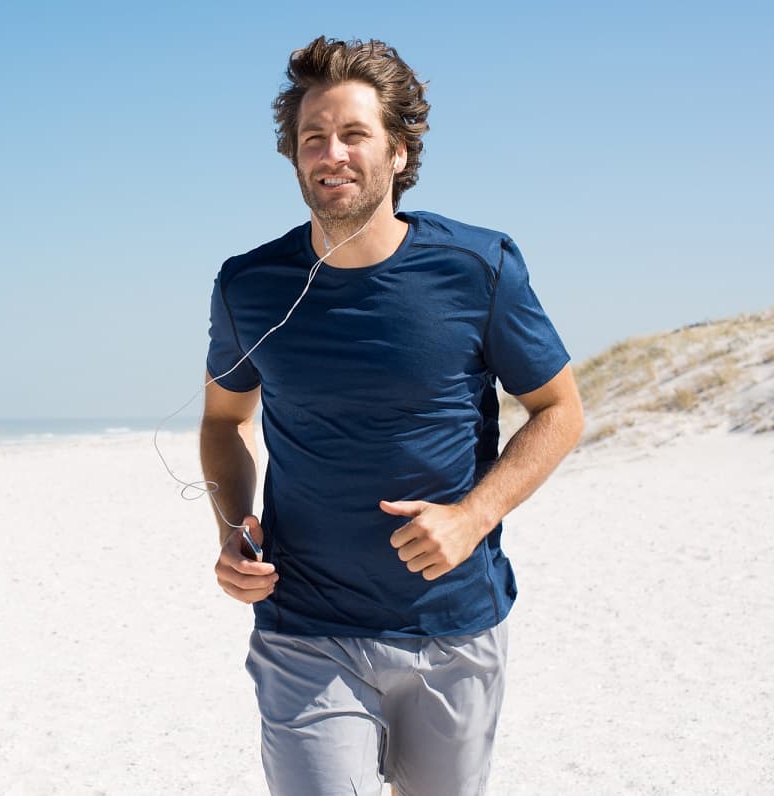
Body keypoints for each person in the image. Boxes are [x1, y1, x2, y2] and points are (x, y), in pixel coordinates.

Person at [199, 36, 584, 796]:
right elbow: (222, 422)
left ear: (400, 153)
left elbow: (559, 410)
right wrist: (232, 529)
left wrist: (472, 517)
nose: (331, 153)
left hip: (455, 626)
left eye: (353, 134)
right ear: (294, 156)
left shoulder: (479, 268)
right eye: (313, 137)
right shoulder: (249, 286)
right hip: (306, 630)